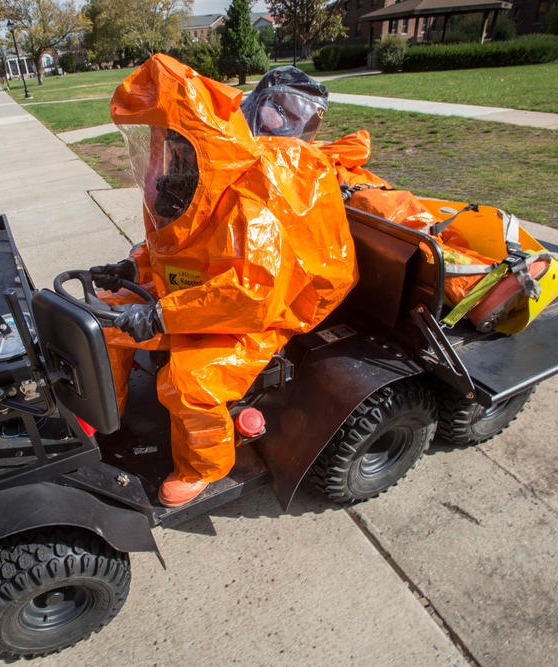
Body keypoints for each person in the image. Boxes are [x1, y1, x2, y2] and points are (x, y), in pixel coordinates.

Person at [91, 54, 358, 507]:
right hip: (200, 295)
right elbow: (182, 250)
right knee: (107, 315)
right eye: (165, 142)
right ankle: (103, 413)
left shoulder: (252, 203)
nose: (167, 156)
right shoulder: (196, 183)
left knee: (191, 379)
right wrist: (134, 269)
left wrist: (159, 315)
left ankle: (201, 468)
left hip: (267, 312)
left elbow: (249, 294)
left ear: (201, 147)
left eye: (176, 144)